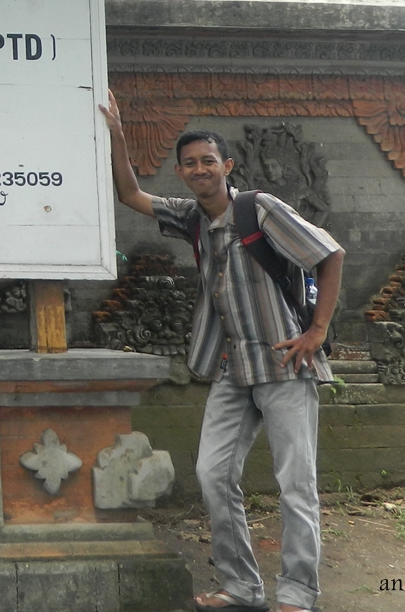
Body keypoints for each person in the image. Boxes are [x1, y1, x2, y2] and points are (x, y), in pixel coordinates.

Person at [99, 92, 344, 612]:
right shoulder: (191, 218)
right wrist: (118, 136)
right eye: (189, 164)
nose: (198, 170)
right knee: (213, 476)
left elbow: (330, 253)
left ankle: (298, 593)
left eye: (208, 161)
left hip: (285, 363)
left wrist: (317, 331)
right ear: (183, 173)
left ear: (226, 166)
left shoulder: (259, 209)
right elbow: (130, 195)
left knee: (296, 485)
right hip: (234, 368)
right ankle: (241, 587)